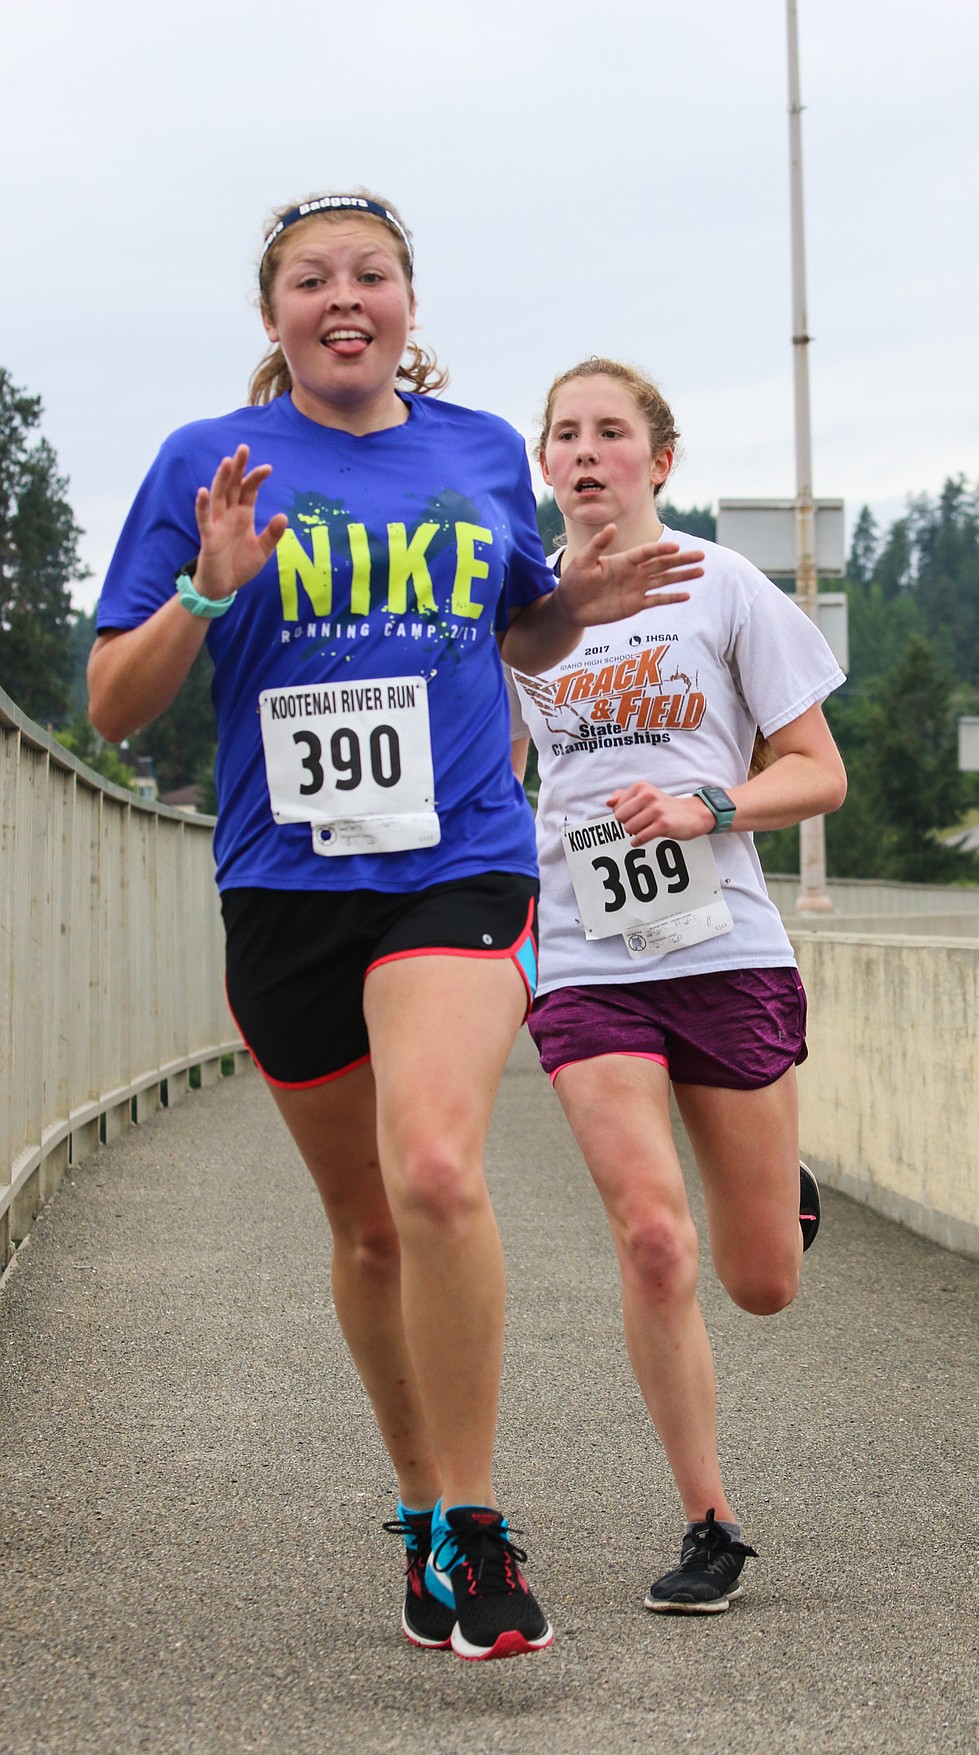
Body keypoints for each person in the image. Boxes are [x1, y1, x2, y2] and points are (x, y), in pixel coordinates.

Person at [87, 200, 702, 1661]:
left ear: (410, 304)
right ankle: (423, 1507)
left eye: (371, 275)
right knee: (365, 1225)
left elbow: (521, 631)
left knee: (433, 1163)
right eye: (313, 280)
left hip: (457, 865)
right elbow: (115, 702)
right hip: (287, 889)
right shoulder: (205, 464)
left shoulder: (484, 449)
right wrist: (201, 587)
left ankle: (479, 1522)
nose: (343, 298)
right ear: (274, 315)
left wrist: (576, 604)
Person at [507, 358, 847, 1614]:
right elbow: (481, 774)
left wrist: (713, 804)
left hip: (726, 950)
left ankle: (778, 1200)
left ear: (661, 458)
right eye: (564, 435)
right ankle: (711, 1521)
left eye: (612, 432)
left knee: (759, 1280)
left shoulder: (726, 586)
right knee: (655, 1238)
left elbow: (819, 771)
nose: (586, 452)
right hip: (589, 962)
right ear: (544, 465)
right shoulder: (522, 613)